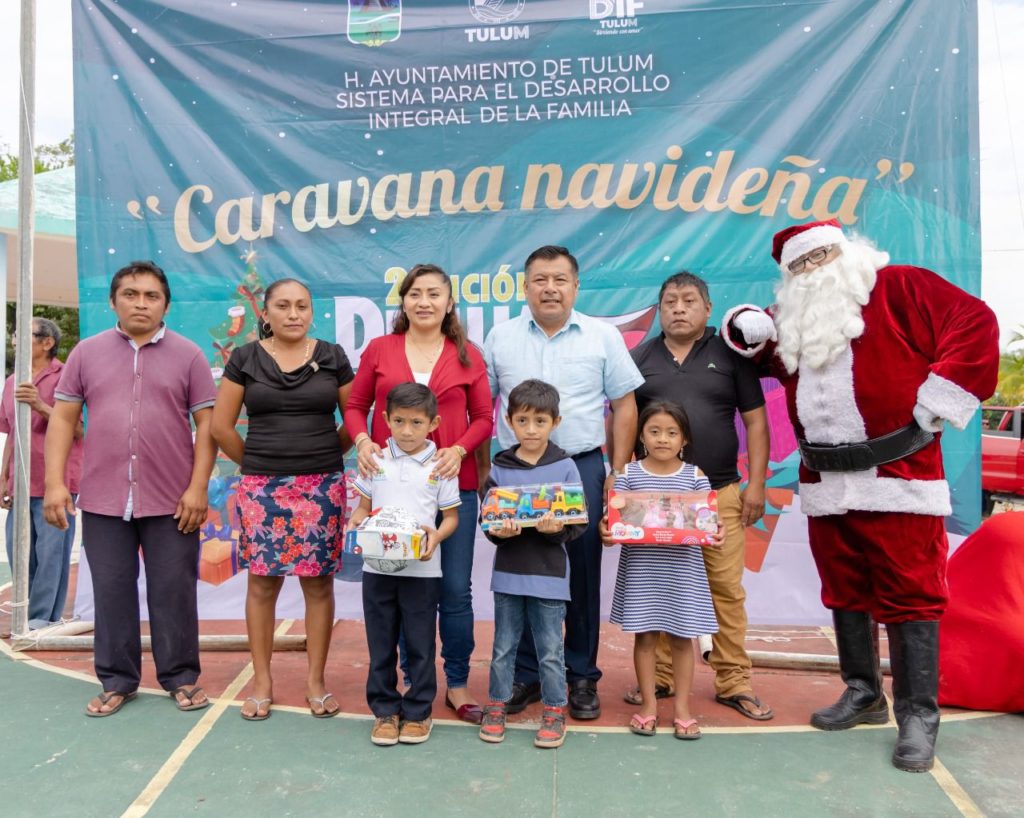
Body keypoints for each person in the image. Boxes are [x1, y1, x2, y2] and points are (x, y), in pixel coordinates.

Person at [723, 219, 999, 771]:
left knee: (911, 594)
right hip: (827, 483)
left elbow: (974, 322)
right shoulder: (798, 318)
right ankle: (863, 692)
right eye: (800, 264)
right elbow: (764, 351)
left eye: (820, 255)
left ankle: (918, 714)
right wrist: (745, 325)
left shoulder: (900, 286)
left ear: (845, 251)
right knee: (845, 588)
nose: (812, 269)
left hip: (901, 477)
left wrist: (938, 401)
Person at [43, 260, 217, 717]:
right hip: (103, 499)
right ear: (113, 301)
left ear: (166, 305)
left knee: (173, 590)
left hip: (173, 501)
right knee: (111, 590)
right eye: (131, 294)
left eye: (151, 296)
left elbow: (208, 426)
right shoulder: (86, 353)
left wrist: (198, 488)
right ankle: (117, 680)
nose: (141, 303)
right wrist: (55, 484)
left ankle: (181, 676)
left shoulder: (189, 356)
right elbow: (62, 419)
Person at [483, 245, 643, 720]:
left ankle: (581, 676)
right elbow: (481, 405)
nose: (549, 288)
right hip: (516, 472)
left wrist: (616, 472)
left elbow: (625, 404)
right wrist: (483, 473)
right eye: (540, 280)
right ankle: (527, 674)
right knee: (524, 570)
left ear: (575, 286)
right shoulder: (500, 337)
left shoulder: (602, 336)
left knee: (582, 571)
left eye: (559, 280)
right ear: (525, 287)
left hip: (581, 466)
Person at [344, 263, 492, 724]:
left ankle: (458, 682)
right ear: (403, 301)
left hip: (452, 488)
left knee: (455, 591)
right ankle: (411, 680)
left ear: (449, 303)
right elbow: (355, 405)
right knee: (405, 589)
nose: (424, 301)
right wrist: (363, 441)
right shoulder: (380, 349)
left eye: (434, 294)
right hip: (392, 493)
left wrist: (459, 450)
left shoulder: (468, 355)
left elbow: (484, 418)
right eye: (415, 293)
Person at [624, 272, 773, 720]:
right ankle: (661, 677)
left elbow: (756, 422)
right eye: (670, 301)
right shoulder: (640, 357)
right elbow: (624, 421)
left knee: (725, 590)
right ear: (659, 309)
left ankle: (733, 680)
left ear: (708, 308)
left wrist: (756, 484)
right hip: (655, 499)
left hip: (720, 492)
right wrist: (619, 477)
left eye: (689, 300)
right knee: (660, 589)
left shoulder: (729, 355)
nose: (678, 308)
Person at [211, 278, 355, 721]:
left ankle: (316, 682)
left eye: (302, 306)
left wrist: (322, 454)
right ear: (266, 313)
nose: (294, 314)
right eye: (284, 306)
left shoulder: (332, 356)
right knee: (262, 583)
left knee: (318, 584)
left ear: (311, 311)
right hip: (262, 489)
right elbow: (220, 427)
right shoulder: (245, 358)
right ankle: (262, 682)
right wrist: (259, 463)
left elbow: (353, 420)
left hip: (322, 487)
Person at [347, 382, 461, 746]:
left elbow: (451, 518)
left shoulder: (441, 466)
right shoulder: (375, 460)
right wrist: (356, 522)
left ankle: (418, 712)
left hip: (422, 572)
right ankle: (384, 710)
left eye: (416, 422)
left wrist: (436, 537)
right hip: (376, 570)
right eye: (399, 421)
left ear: (433, 423)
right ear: (385, 419)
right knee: (380, 643)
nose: (407, 431)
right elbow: (363, 508)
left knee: (420, 644)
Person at [601, 401, 721, 740]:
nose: (663, 439)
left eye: (671, 432)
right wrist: (606, 531)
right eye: (654, 431)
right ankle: (649, 706)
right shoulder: (628, 475)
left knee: (683, 640)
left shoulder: (696, 477)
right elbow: (614, 522)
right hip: (643, 570)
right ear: (641, 436)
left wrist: (717, 530)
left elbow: (709, 522)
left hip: (683, 572)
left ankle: (682, 709)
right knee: (645, 638)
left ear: (684, 439)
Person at [477, 380, 584, 749]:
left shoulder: (566, 467)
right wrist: (499, 533)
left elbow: (578, 523)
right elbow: (489, 522)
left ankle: (554, 710)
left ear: (556, 422)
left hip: (550, 576)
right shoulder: (500, 467)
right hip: (508, 574)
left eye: (540, 421)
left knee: (551, 650)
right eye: (522, 421)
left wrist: (557, 531)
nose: (531, 429)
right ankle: (497, 705)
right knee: (503, 647)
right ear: (509, 422)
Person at [1, 318, 84, 631]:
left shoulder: (66, 376)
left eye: (23, 334)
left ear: (47, 343)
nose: (15, 340)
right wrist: (3, 475)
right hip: (21, 480)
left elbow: (78, 429)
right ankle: (26, 613)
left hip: (56, 481)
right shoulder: (12, 381)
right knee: (19, 551)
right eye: (14, 334)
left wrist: (39, 405)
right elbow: (11, 432)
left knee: (51, 553)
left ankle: (42, 619)